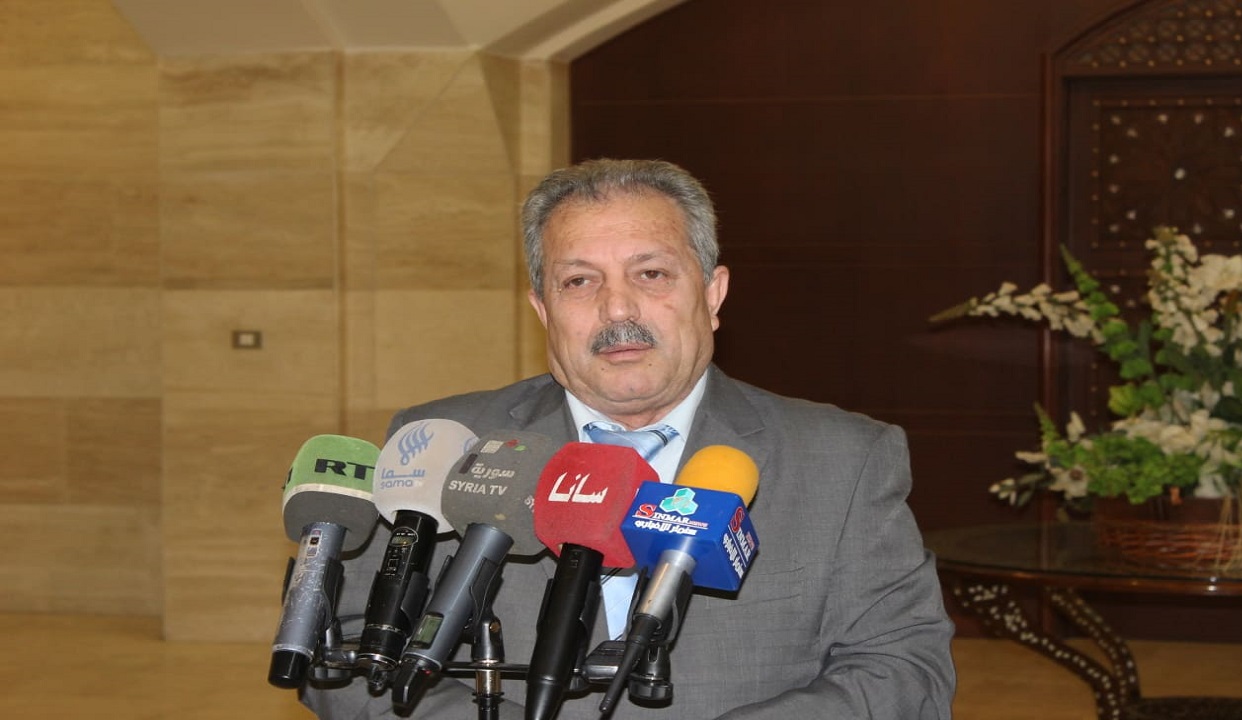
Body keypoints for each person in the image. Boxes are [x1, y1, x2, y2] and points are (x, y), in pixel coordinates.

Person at [300, 158, 956, 719]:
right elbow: (344, 655)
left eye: (651, 274)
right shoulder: (443, 444)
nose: (617, 310)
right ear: (542, 309)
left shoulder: (845, 460)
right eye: (579, 281)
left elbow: (905, 668)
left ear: (713, 294)